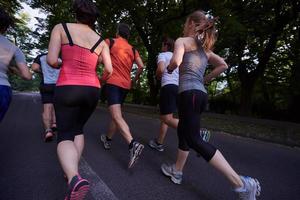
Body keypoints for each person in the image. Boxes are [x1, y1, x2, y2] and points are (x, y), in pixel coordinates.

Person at [160, 11, 261, 200]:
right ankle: (177, 170)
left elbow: (176, 61)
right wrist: (204, 79)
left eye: (185, 22)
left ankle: (242, 184)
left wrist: (171, 68)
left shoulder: (183, 41)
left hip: (188, 94)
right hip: (198, 94)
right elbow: (223, 65)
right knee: (184, 131)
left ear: (191, 23)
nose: (183, 26)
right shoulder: (205, 50)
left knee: (194, 139)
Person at [47, 0, 113, 199]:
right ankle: (72, 174)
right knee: (78, 129)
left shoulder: (61, 28)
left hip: (68, 86)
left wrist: (62, 63)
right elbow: (109, 70)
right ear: (93, 19)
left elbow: (51, 60)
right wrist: (97, 80)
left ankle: (74, 177)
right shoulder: (101, 41)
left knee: (65, 133)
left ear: (76, 13)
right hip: (92, 90)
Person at [148, 37, 210, 152]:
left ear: (166, 45)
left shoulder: (163, 55)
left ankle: (197, 132)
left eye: (162, 45)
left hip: (168, 87)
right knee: (167, 117)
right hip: (180, 88)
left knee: (166, 118)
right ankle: (159, 142)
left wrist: (158, 75)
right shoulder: (180, 56)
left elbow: (161, 70)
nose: (162, 47)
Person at [99, 23, 145, 169]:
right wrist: (134, 80)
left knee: (116, 115)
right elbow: (141, 66)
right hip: (125, 85)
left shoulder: (109, 42)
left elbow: (100, 60)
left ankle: (132, 144)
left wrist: (100, 79)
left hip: (112, 82)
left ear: (117, 32)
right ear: (128, 35)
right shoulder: (133, 49)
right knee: (116, 114)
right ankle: (108, 139)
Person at [0, 8, 32, 123]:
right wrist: (13, 69)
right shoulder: (13, 48)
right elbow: (27, 76)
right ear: (6, 27)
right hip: (2, 88)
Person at [32, 53, 60, 142]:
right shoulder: (62, 56)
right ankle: (55, 124)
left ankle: (48, 131)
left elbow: (34, 68)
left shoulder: (41, 57)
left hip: (46, 85)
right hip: (59, 85)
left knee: (47, 108)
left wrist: (42, 72)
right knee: (57, 106)